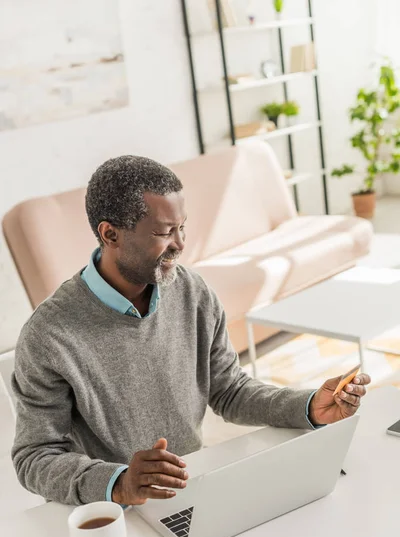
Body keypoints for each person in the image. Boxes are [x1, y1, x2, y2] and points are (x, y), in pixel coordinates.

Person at [12, 156, 371, 507]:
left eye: (182, 226)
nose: (180, 244)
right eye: (164, 232)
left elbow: (229, 390)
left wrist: (307, 407)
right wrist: (119, 483)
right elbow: (35, 456)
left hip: (193, 489)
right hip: (110, 512)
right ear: (110, 234)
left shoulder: (191, 291)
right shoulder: (50, 335)